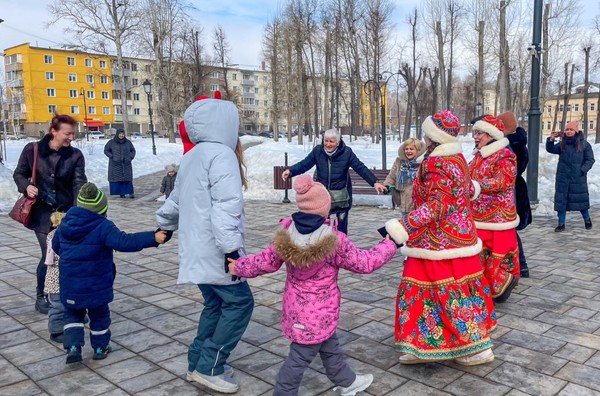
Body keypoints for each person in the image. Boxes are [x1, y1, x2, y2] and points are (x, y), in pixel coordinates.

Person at [228, 175, 397, 396]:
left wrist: (238, 266)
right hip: (320, 312)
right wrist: (390, 244)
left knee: (329, 347)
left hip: (297, 311)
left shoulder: (286, 234)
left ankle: (347, 381)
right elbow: (365, 262)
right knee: (298, 359)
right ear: (324, 210)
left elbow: (264, 262)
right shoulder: (333, 241)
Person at [156, 96, 253, 394]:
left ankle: (196, 362)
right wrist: (232, 251)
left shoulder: (193, 155)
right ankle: (209, 366)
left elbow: (175, 199)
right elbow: (225, 207)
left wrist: (165, 224)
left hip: (196, 250)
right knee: (239, 304)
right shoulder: (222, 155)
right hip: (216, 251)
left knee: (215, 304)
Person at [385, 110, 496, 366]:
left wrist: (405, 225)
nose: (424, 136)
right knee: (426, 290)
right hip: (455, 237)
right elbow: (466, 189)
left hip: (438, 240)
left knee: (445, 292)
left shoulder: (438, 162)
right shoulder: (456, 158)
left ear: (435, 135)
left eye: (427, 131)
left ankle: (474, 347)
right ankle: (421, 343)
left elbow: (438, 205)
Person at [52, 182, 167, 364]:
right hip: (96, 285)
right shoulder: (103, 226)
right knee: (99, 315)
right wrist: (152, 237)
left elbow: (55, 247)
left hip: (70, 284)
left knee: (72, 314)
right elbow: (124, 242)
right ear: (101, 209)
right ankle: (99, 347)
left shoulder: (64, 225)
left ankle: (73, 348)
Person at [13, 114, 87, 314]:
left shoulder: (75, 155)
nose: (71, 137)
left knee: (69, 254)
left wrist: (78, 210)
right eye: (68, 133)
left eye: (73, 133)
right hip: (42, 214)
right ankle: (41, 295)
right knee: (50, 254)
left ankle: (68, 295)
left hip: (67, 212)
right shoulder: (33, 150)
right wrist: (26, 186)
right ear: (53, 131)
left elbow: (79, 183)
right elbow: (19, 174)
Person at [281, 128, 387, 235]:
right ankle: (323, 247)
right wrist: (291, 171)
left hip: (341, 197)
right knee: (321, 226)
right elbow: (304, 164)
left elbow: (360, 168)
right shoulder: (318, 151)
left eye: (331, 141)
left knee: (341, 228)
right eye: (326, 141)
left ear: (338, 142)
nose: (328, 144)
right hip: (322, 196)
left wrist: (375, 182)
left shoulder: (347, 153)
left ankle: (342, 247)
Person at [469, 115, 520, 303]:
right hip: (479, 216)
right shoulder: (478, 155)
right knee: (480, 254)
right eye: (474, 132)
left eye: (479, 133)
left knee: (496, 255)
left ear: (490, 135)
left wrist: (476, 186)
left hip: (497, 217)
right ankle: (486, 288)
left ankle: (503, 285)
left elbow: (504, 181)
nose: (475, 136)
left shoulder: (505, 155)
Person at [497, 111, 532, 278]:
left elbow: (519, 167)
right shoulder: (512, 142)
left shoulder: (511, 144)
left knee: (509, 228)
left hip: (513, 190)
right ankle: (520, 265)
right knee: (509, 229)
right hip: (514, 188)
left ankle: (521, 265)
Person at [546, 120, 595, 232]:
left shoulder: (584, 144)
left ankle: (587, 219)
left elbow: (590, 159)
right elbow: (551, 149)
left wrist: (582, 170)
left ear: (576, 131)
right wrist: (551, 140)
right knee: (561, 202)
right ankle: (561, 224)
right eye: (567, 129)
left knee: (580, 201)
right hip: (563, 178)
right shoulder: (562, 144)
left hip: (577, 178)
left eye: (571, 129)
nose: (568, 131)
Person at [383, 138, 425, 213]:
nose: (408, 151)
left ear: (418, 150)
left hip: (418, 205)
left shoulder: (423, 163)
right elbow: (391, 176)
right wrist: (387, 185)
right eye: (406, 149)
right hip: (403, 202)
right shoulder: (399, 162)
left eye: (411, 149)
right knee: (404, 223)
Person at [44, 211, 66, 343]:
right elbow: (54, 257)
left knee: (63, 304)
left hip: (60, 278)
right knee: (57, 306)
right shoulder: (54, 237)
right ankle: (56, 331)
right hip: (55, 280)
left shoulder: (54, 234)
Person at [104, 127, 136, 199]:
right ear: (117, 134)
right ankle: (122, 193)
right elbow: (106, 150)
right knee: (119, 180)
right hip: (115, 165)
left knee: (127, 179)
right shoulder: (111, 142)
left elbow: (133, 150)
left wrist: (130, 157)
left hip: (126, 164)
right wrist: (112, 157)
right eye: (120, 134)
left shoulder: (128, 142)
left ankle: (131, 193)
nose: (121, 135)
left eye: (123, 134)